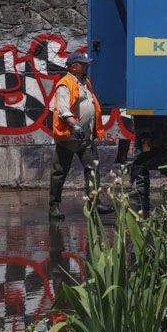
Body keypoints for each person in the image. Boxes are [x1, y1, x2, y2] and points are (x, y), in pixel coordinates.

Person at [48, 52, 113, 220]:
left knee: (93, 169)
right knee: (59, 172)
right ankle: (54, 206)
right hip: (69, 136)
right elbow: (62, 107)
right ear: (73, 66)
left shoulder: (85, 82)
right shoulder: (65, 84)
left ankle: (94, 203)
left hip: (85, 137)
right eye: (83, 63)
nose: (87, 66)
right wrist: (73, 124)